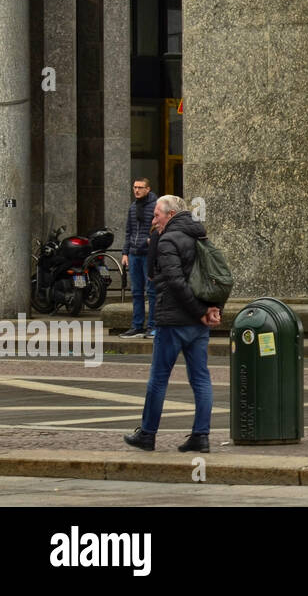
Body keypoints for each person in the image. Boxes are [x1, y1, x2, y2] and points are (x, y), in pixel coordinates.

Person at [122, 195, 221, 453]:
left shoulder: (168, 240)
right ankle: (201, 436)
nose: (154, 220)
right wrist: (211, 310)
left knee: (158, 379)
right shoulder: (201, 236)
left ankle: (147, 434)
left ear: (171, 214)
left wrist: (201, 312)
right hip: (197, 325)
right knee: (201, 378)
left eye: (157, 215)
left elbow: (174, 282)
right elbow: (218, 276)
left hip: (173, 321)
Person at [120, 178, 157, 338]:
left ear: (148, 189)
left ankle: (153, 326)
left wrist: (150, 241)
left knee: (152, 291)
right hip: (134, 254)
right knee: (136, 292)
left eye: (140, 187)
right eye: (134, 187)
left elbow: (158, 226)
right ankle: (137, 326)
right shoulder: (133, 207)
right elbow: (129, 231)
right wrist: (125, 252)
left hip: (148, 254)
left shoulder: (156, 205)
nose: (136, 190)